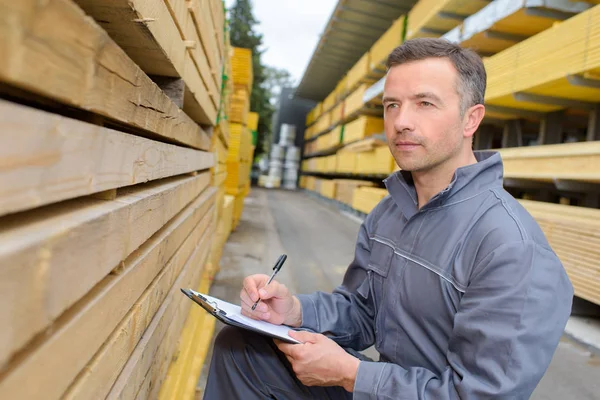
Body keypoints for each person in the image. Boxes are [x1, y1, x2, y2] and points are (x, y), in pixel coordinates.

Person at [203, 38, 574, 399]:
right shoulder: (390, 212)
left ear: (470, 120)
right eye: (391, 105)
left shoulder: (511, 247)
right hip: (384, 389)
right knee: (243, 349)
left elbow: (480, 395)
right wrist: (296, 311)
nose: (401, 122)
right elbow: (363, 311)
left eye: (425, 103)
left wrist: (352, 375)